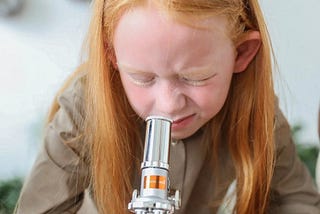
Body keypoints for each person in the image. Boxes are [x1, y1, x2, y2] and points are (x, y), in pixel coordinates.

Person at [15, 0, 320, 213]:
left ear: (241, 53)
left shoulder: (255, 111)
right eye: (143, 78)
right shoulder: (85, 105)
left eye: (195, 78)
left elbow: (297, 203)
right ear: (112, 55)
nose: (168, 105)